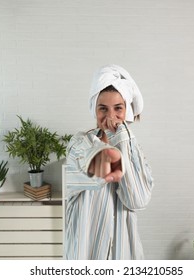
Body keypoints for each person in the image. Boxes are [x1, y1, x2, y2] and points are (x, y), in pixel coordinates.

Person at [64, 64, 154, 260]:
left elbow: (137, 199)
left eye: (118, 108)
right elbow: (89, 165)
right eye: (103, 108)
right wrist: (107, 159)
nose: (110, 116)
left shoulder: (136, 153)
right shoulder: (79, 144)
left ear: (127, 112)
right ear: (94, 110)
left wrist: (121, 140)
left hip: (122, 254)